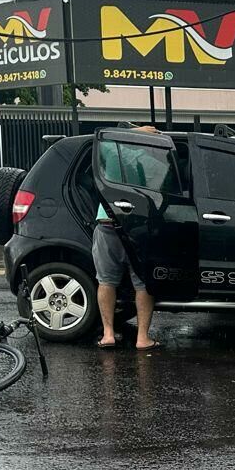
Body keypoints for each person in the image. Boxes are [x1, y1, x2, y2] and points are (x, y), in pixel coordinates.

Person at [93, 127, 162, 351]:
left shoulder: (111, 150)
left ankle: (108, 334)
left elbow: (104, 132)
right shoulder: (145, 161)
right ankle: (143, 338)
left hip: (107, 222)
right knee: (142, 283)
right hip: (135, 227)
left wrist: (135, 130)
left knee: (106, 281)